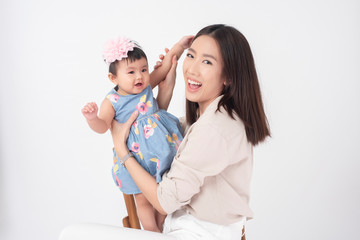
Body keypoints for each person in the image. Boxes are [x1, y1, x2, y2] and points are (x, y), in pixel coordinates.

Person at [61, 24, 270, 240]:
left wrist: (123, 151)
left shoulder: (214, 128)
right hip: (183, 225)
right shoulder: (212, 117)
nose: (192, 69)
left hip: (195, 232)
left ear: (229, 76)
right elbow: (163, 132)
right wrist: (165, 91)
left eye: (207, 61)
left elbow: (164, 201)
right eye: (191, 56)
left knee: (70, 234)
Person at [81, 36, 193, 232]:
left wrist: (180, 46)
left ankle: (162, 228)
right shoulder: (112, 100)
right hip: (135, 158)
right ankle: (152, 233)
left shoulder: (146, 86)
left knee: (163, 192)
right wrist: (92, 118)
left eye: (143, 69)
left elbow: (165, 66)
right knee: (142, 199)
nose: (139, 76)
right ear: (113, 78)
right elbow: (103, 126)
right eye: (131, 72)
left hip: (160, 151)